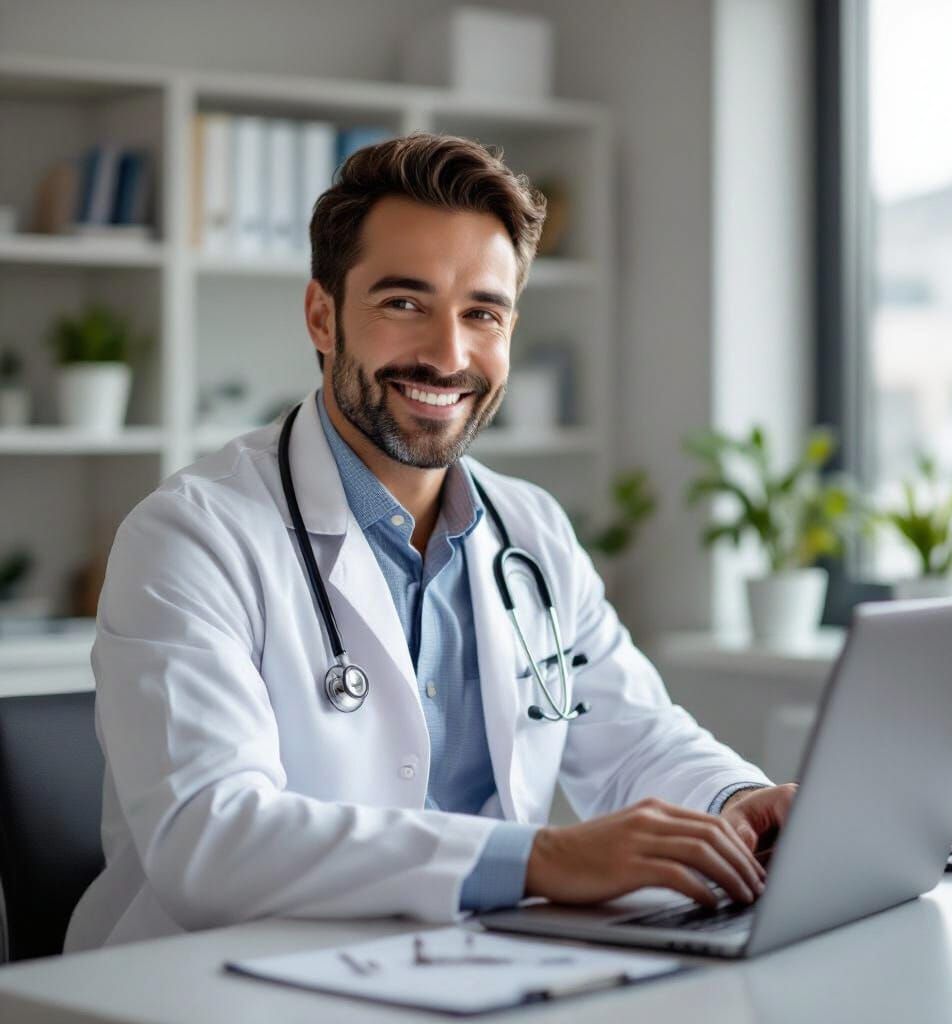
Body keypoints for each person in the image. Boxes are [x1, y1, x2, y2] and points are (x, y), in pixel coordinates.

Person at [65, 133, 795, 952]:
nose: (449, 356)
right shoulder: (190, 537)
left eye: (483, 313)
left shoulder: (531, 531)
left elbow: (634, 737)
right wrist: (541, 860)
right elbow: (211, 839)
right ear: (322, 317)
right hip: (209, 980)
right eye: (405, 304)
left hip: (463, 967)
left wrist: (738, 801)